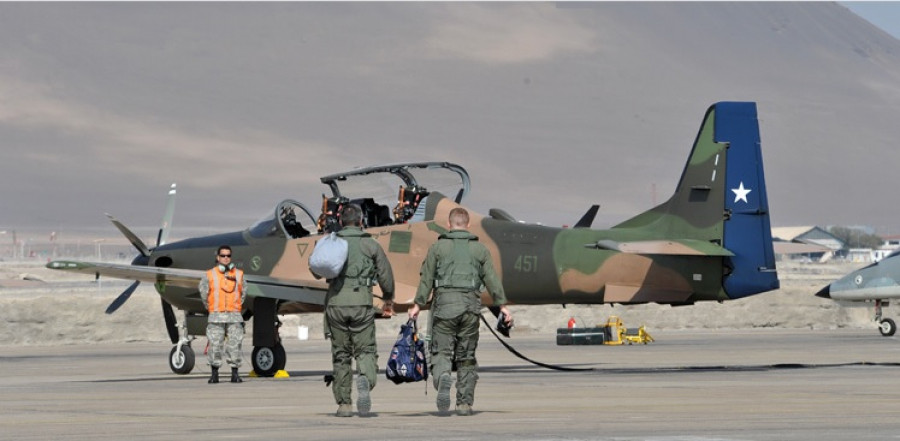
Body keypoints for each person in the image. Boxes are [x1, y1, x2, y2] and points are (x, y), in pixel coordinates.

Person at [408, 207, 512, 416]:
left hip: (445, 306)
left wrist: (418, 305)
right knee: (466, 356)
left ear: (449, 224)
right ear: (468, 225)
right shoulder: (480, 250)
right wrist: (503, 307)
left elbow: (426, 278)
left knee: (442, 351)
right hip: (470, 308)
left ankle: (443, 377)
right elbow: (492, 280)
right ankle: (464, 404)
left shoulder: (438, 247)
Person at [322, 204, 395, 417]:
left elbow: (316, 269)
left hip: (335, 304)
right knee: (365, 350)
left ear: (341, 221)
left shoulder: (332, 242)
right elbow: (385, 275)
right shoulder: (370, 244)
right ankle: (365, 380)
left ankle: (344, 404)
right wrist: (389, 299)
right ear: (361, 221)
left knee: (341, 355)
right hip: (361, 304)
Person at [199, 245, 247, 384]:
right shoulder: (209, 275)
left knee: (235, 345)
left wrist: (235, 307)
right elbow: (203, 294)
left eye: (228, 256)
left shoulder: (239, 274)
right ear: (218, 257)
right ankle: (214, 375)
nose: (226, 258)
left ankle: (235, 374)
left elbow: (243, 293)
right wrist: (212, 308)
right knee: (215, 346)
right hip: (216, 316)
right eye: (223, 255)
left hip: (234, 315)